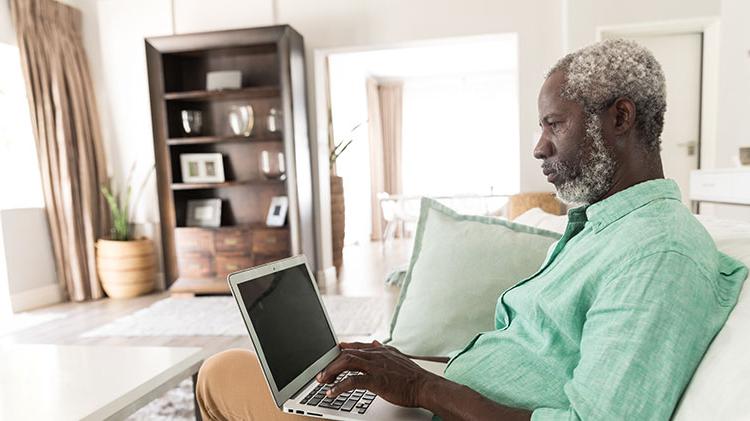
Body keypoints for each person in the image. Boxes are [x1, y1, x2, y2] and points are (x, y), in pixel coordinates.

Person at [195, 39, 747, 421]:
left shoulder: (658, 254)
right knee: (273, 374)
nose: (539, 146)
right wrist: (401, 363)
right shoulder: (602, 228)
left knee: (219, 375)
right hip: (437, 402)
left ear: (620, 118)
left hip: (440, 409)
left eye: (554, 123)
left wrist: (419, 387)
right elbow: (528, 357)